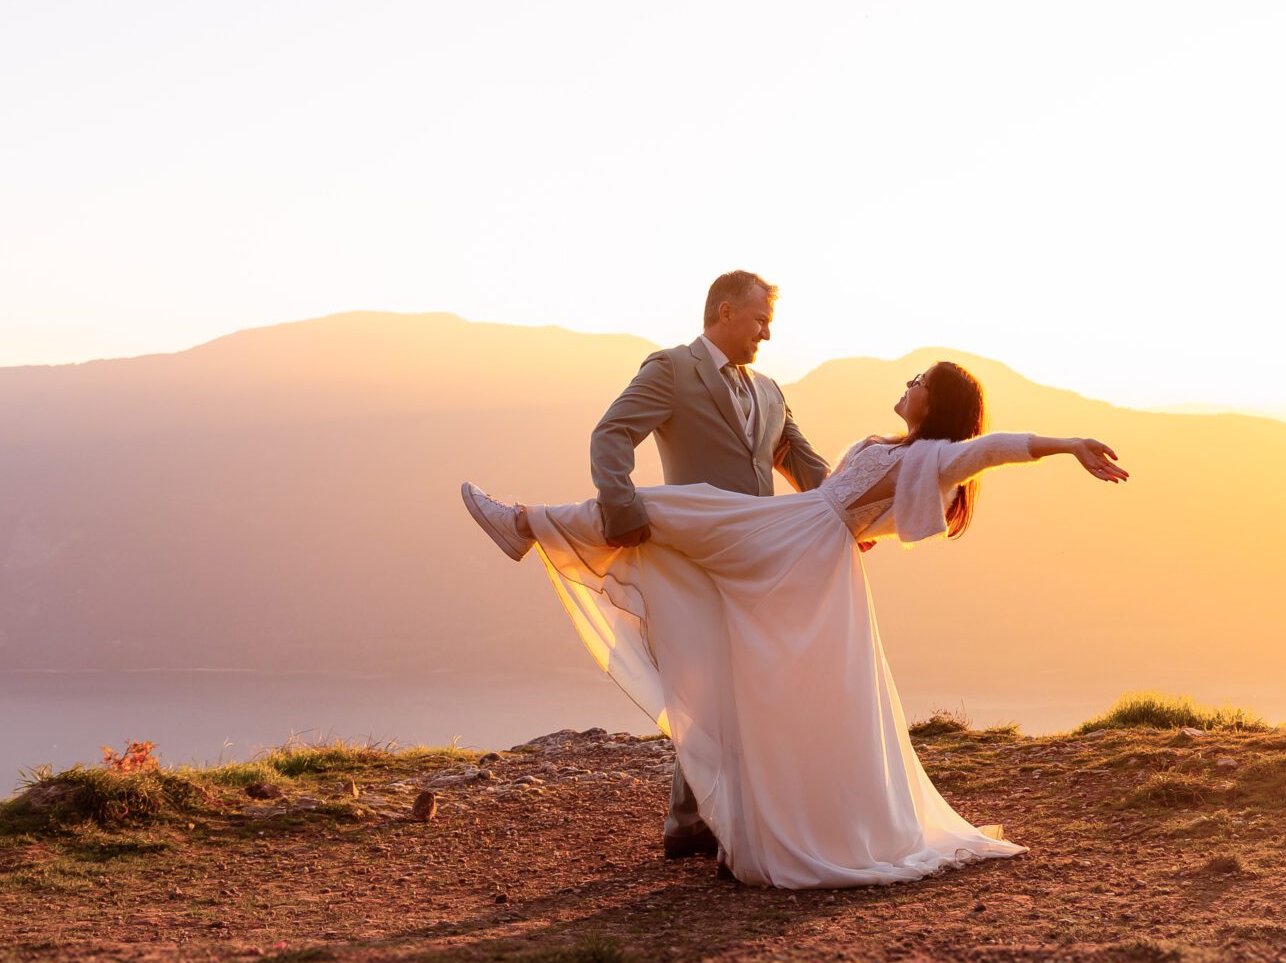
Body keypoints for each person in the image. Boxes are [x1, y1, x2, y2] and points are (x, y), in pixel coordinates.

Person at [461, 354, 1128, 889]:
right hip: (799, 535)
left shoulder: (934, 456)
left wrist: (1068, 443)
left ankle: (526, 523)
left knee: (672, 509)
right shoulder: (888, 445)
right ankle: (755, 827)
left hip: (801, 545)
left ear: (940, 403)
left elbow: (991, 449)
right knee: (681, 535)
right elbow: (829, 483)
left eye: (919, 380)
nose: (907, 382)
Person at [583, 269, 830, 859]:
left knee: (743, 680)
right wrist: (621, 507)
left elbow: (801, 459)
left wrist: (847, 514)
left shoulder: (769, 389)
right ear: (724, 312)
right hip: (693, 557)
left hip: (760, 562)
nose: (766, 334)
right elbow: (611, 433)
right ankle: (710, 821)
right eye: (759, 320)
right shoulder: (670, 369)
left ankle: (690, 820)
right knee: (709, 682)